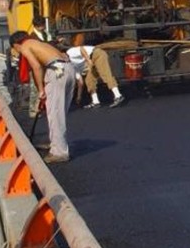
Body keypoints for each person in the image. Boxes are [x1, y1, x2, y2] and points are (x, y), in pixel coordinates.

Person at [9, 31, 75, 164]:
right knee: (59, 113)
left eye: (14, 48)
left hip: (57, 72)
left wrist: (41, 90)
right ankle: (55, 143)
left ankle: (59, 153)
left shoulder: (25, 46)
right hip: (68, 69)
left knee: (55, 114)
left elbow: (36, 67)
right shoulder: (38, 43)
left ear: (16, 44)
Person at [66, 44, 125, 108]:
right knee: (89, 80)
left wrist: (88, 60)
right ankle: (95, 101)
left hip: (96, 54)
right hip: (90, 62)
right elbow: (80, 82)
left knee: (105, 74)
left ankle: (118, 95)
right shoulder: (72, 66)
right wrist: (78, 96)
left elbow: (81, 49)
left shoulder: (70, 52)